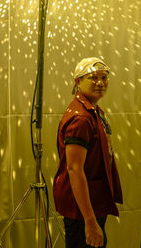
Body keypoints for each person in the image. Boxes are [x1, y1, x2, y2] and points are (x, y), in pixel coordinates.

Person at [53, 57, 123, 248]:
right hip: (83, 207)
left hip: (92, 201)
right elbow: (74, 169)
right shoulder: (81, 118)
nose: (100, 83)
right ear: (77, 81)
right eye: (93, 78)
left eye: (104, 78)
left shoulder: (91, 111)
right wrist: (90, 222)